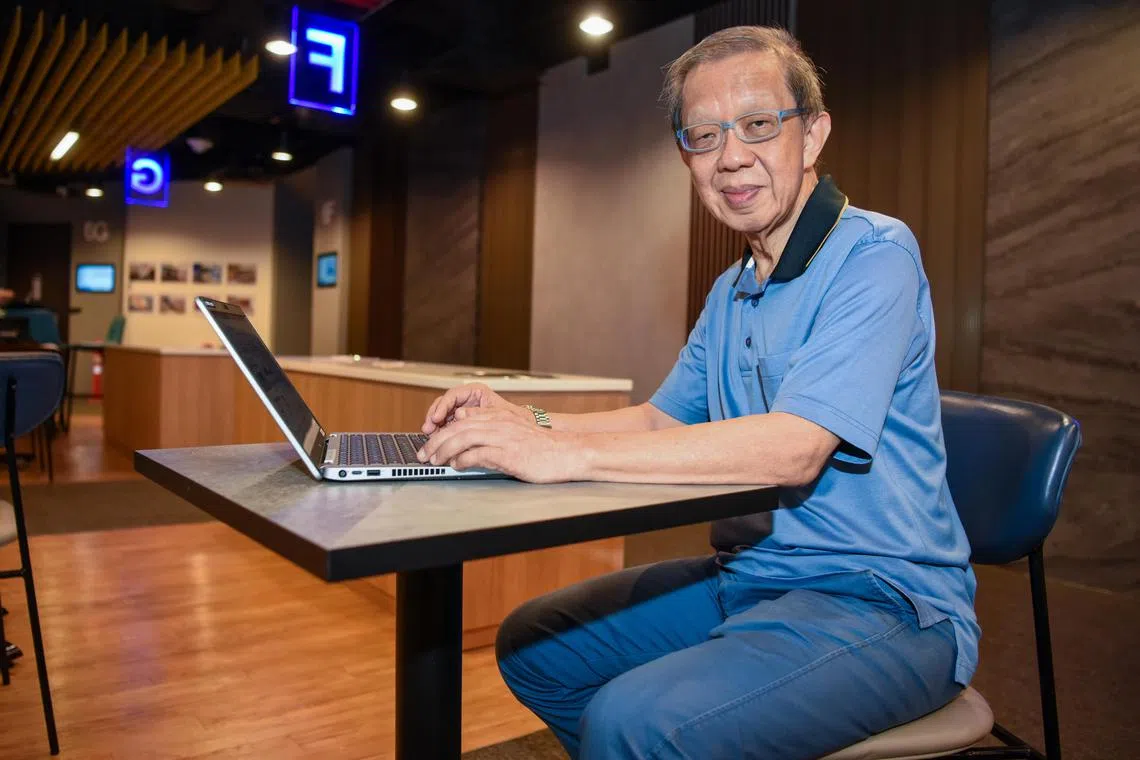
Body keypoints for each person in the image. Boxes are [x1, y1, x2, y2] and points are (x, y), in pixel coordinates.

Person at [417, 25, 978, 760]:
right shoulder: (732, 288)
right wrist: (533, 422)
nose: (730, 157)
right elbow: (657, 418)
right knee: (536, 647)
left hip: (886, 601)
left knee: (636, 721)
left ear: (812, 136)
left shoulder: (875, 255)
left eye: (757, 125)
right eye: (702, 136)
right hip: (749, 577)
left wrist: (564, 455)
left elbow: (794, 449)